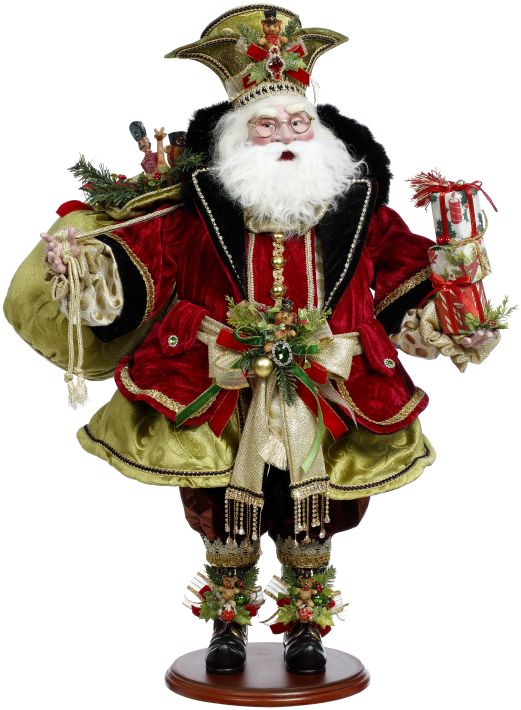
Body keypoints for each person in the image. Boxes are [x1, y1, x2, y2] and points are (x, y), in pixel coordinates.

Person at [5, 5, 499, 676]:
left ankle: (307, 626)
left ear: (319, 130)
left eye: (299, 122)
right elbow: (139, 256)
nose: (286, 136)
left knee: (314, 510)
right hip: (218, 386)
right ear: (238, 135)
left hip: (329, 389)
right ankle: (227, 627)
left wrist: (449, 294)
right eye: (267, 125)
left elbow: (405, 275)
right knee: (222, 512)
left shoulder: (360, 212)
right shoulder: (196, 212)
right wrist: (87, 266)